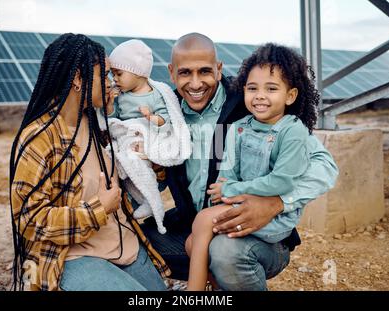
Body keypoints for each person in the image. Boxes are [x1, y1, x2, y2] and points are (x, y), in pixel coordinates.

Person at [141, 33, 338, 291]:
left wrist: (277, 203)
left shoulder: (251, 104)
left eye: (205, 71)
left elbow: (324, 166)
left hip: (262, 235)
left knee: (226, 253)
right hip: (201, 225)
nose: (196, 83)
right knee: (129, 241)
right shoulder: (167, 111)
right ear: (171, 72)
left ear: (219, 69)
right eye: (185, 73)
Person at [9, 33, 168, 291]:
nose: (111, 84)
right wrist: (98, 210)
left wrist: (152, 159)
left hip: (124, 243)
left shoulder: (99, 123)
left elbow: (144, 180)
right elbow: (28, 220)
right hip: (72, 255)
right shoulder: (41, 137)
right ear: (78, 79)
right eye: (104, 75)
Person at [99, 39, 191, 234]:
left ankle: (151, 200)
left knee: (139, 165)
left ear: (138, 72)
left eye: (118, 74)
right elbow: (113, 120)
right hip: (127, 136)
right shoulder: (120, 95)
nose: (114, 79)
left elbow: (167, 121)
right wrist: (109, 106)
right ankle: (142, 199)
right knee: (122, 161)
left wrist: (151, 117)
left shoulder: (156, 95)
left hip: (147, 136)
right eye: (112, 74)